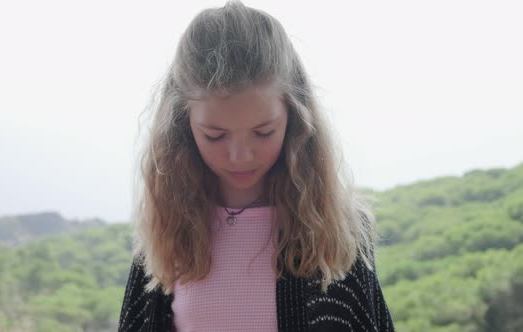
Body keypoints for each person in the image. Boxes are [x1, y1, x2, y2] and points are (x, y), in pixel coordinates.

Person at [118, 1, 395, 331]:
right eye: (215, 135)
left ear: (295, 117)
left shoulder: (338, 231)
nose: (240, 156)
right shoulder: (167, 230)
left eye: (263, 132)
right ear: (183, 125)